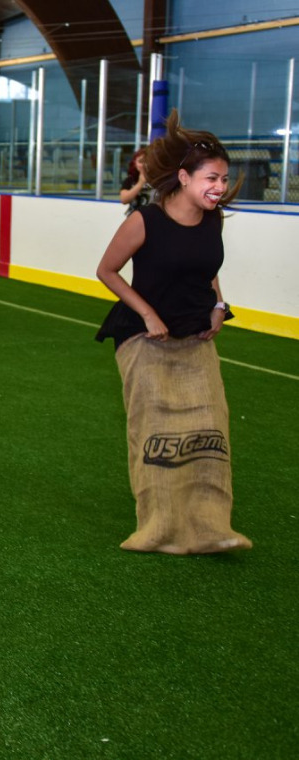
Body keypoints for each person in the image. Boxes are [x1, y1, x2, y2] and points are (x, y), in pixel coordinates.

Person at [95, 109, 252, 555]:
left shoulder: (213, 220)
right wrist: (148, 315)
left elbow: (207, 271)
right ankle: (159, 528)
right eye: (212, 178)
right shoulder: (144, 220)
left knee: (209, 430)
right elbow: (107, 271)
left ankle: (208, 527)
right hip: (144, 338)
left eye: (223, 179)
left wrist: (220, 305)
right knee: (156, 430)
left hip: (195, 334)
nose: (219, 187)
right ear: (183, 177)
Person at [120, 148, 152, 215]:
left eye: (147, 161)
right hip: (134, 217)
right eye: (140, 161)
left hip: (154, 218)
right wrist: (140, 183)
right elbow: (124, 199)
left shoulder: (158, 179)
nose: (144, 164)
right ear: (135, 164)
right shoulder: (130, 180)